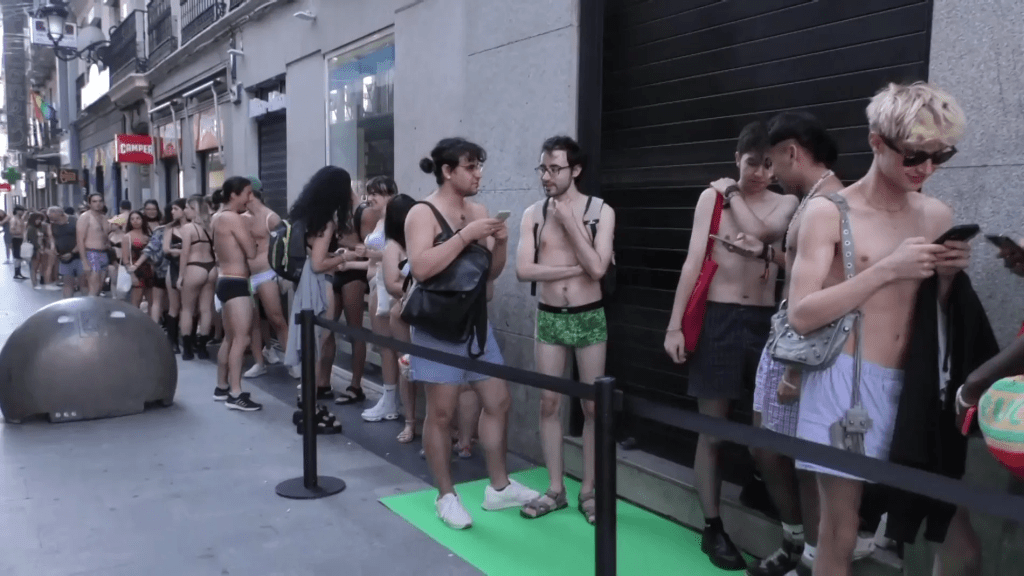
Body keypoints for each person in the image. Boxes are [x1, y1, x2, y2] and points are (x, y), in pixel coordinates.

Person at [786, 82, 969, 576]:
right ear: (876, 142)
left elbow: (934, 314)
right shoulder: (828, 212)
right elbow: (801, 313)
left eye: (940, 156)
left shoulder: (937, 215)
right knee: (841, 530)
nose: (926, 168)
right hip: (844, 380)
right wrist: (888, 268)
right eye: (914, 155)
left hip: (915, 385)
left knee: (956, 538)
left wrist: (946, 277)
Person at [709, 112, 844, 576]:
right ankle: (796, 541)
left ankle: (810, 556)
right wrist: (767, 254)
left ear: (791, 152)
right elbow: (800, 264)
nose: (771, 173)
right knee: (767, 446)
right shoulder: (812, 200)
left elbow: (824, 289)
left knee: (805, 458)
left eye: (773, 162)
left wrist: (793, 369)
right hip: (786, 338)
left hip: (807, 348)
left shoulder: (826, 204)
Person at [663, 122, 798, 570]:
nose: (760, 172)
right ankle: (713, 526)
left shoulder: (786, 202)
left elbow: (774, 240)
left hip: (765, 321)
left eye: (768, 164)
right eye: (751, 162)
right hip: (718, 316)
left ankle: (775, 505)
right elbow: (693, 261)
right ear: (737, 159)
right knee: (713, 431)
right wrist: (675, 326)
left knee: (768, 433)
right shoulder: (711, 198)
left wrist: (737, 203)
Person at [405, 137, 539, 530]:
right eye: (470, 167)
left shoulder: (478, 211)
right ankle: (445, 496)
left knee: (498, 400)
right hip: (437, 326)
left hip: (475, 324)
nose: (479, 174)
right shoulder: (422, 213)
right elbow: (421, 268)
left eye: (480, 166)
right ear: (448, 171)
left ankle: (499, 487)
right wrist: (464, 236)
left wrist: (501, 243)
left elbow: (488, 273)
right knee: (441, 413)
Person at [515, 136, 614, 523]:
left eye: (555, 169)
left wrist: (571, 224)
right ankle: (555, 488)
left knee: (592, 406)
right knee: (549, 403)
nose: (547, 176)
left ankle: (589, 489)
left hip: (589, 315)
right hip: (550, 315)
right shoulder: (533, 214)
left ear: (576, 170)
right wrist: (572, 269)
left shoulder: (600, 211)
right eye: (543, 168)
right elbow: (524, 270)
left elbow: (599, 268)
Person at [282, 166, 357, 429]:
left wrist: (337, 254)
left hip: (306, 285)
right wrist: (344, 258)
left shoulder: (305, 216)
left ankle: (308, 404)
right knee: (316, 349)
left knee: (311, 348)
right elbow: (318, 264)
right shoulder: (326, 222)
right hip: (319, 286)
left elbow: (313, 254)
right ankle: (311, 410)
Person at [211, 178, 262, 411]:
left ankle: (222, 386)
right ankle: (235, 393)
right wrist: (252, 232)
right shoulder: (233, 218)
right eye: (247, 193)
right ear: (234, 194)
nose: (250, 199)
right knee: (242, 339)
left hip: (225, 279)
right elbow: (251, 251)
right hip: (237, 281)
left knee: (230, 338)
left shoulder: (217, 216)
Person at [360, 176, 404, 421]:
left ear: (390, 194)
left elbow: (396, 254)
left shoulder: (397, 220)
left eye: (377, 193)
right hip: (375, 284)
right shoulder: (379, 220)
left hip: (387, 286)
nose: (371, 198)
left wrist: (368, 253)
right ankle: (390, 398)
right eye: (370, 193)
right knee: (385, 346)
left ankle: (393, 401)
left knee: (391, 347)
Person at [329, 183, 375, 405]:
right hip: (337, 270)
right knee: (327, 328)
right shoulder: (340, 212)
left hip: (354, 274)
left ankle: (356, 386)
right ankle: (322, 380)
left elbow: (369, 250)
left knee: (354, 330)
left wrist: (345, 246)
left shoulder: (363, 212)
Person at [241, 185, 290, 378]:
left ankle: (292, 361)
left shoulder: (271, 217)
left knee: (276, 317)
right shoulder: (242, 218)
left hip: (266, 272)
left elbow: (283, 247)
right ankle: (259, 362)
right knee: (252, 322)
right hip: (248, 274)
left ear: (250, 195)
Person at [381, 193, 419, 443]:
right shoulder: (393, 247)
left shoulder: (421, 240)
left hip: (426, 314)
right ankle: (410, 421)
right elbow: (391, 283)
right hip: (404, 313)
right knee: (406, 367)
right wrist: (415, 291)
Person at [178, 195, 218, 360]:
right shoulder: (210, 226)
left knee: (187, 309)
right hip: (211, 268)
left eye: (187, 207)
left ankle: (187, 350)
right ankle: (202, 349)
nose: (185, 211)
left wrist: (181, 276)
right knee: (206, 309)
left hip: (194, 267)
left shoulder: (188, 228)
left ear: (194, 209)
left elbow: (185, 253)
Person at [163, 199, 187, 353]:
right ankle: (172, 341)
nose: (172, 212)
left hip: (190, 268)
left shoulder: (195, 227)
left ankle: (187, 340)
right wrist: (182, 251)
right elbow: (166, 249)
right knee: (174, 306)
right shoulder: (170, 228)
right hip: (173, 268)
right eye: (172, 209)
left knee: (189, 307)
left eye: (176, 209)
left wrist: (178, 251)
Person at [76, 194, 111, 296]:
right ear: (90, 203)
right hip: (91, 253)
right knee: (94, 288)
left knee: (100, 287)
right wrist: (84, 261)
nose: (98, 204)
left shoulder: (104, 217)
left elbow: (106, 235)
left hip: (104, 253)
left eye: (100, 201)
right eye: (94, 201)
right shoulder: (85, 217)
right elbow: (80, 240)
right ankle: (89, 306)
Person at [122, 210, 155, 309]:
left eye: (138, 218)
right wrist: (132, 275)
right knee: (136, 302)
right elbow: (125, 259)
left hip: (149, 271)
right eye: (132, 219)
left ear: (142, 220)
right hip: (136, 271)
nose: (135, 221)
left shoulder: (148, 236)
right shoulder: (127, 237)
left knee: (152, 302)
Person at [47, 206, 81, 298]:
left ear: (60, 213)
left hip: (79, 256)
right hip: (63, 257)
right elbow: (52, 238)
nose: (51, 219)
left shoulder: (75, 220)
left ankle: (85, 303)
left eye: (52, 217)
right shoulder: (52, 224)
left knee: (83, 283)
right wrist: (53, 247)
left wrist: (72, 252)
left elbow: (82, 239)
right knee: (67, 282)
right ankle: (67, 303)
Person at [10, 206, 27, 279]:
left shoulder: (20, 219)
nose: (22, 212)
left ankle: (18, 273)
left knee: (19, 257)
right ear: (17, 211)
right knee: (17, 257)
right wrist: (20, 232)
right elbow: (11, 230)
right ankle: (16, 274)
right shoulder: (14, 219)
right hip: (16, 239)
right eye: (21, 210)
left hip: (20, 239)